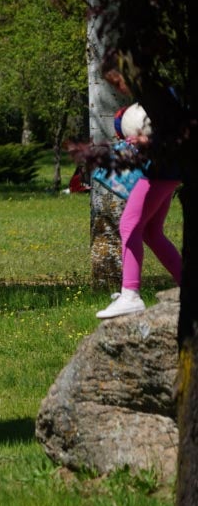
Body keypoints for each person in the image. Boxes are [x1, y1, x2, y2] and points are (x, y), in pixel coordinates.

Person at [94, 58, 181, 319]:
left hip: (162, 170)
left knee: (129, 225)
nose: (119, 89)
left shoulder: (164, 96)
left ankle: (130, 295)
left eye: (118, 82)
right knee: (152, 231)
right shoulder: (151, 98)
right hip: (163, 169)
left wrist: (146, 141)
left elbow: (181, 132)